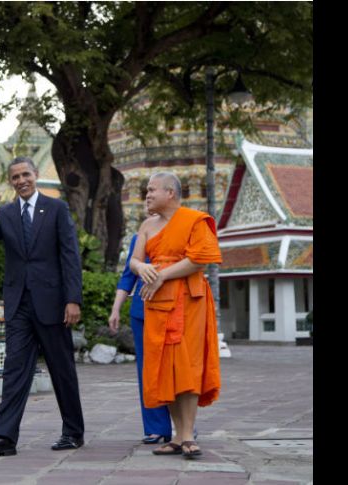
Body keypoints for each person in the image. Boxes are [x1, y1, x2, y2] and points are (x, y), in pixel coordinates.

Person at [0, 156, 85, 456]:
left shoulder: (56, 209)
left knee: (62, 370)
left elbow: (70, 255)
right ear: (11, 182)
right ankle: (4, 439)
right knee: (15, 370)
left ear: (36, 175)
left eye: (25, 175)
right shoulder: (5, 213)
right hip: (19, 304)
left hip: (54, 304)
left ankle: (73, 432)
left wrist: (73, 299)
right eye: (15, 177)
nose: (21, 181)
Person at [130, 172, 222, 459]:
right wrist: (141, 269)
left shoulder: (194, 220)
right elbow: (135, 259)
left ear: (170, 192)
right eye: (147, 190)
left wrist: (161, 275)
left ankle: (187, 435)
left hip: (189, 301)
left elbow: (200, 258)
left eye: (152, 189)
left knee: (187, 365)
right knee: (164, 367)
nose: (147, 195)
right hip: (158, 303)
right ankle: (177, 434)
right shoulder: (147, 225)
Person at [108, 231, 173, 445]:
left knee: (175, 367)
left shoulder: (183, 231)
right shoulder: (140, 237)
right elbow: (128, 275)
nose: (149, 199)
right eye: (147, 196)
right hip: (142, 312)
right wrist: (116, 309)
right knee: (147, 370)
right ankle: (155, 428)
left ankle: (182, 425)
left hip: (173, 309)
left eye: (152, 195)